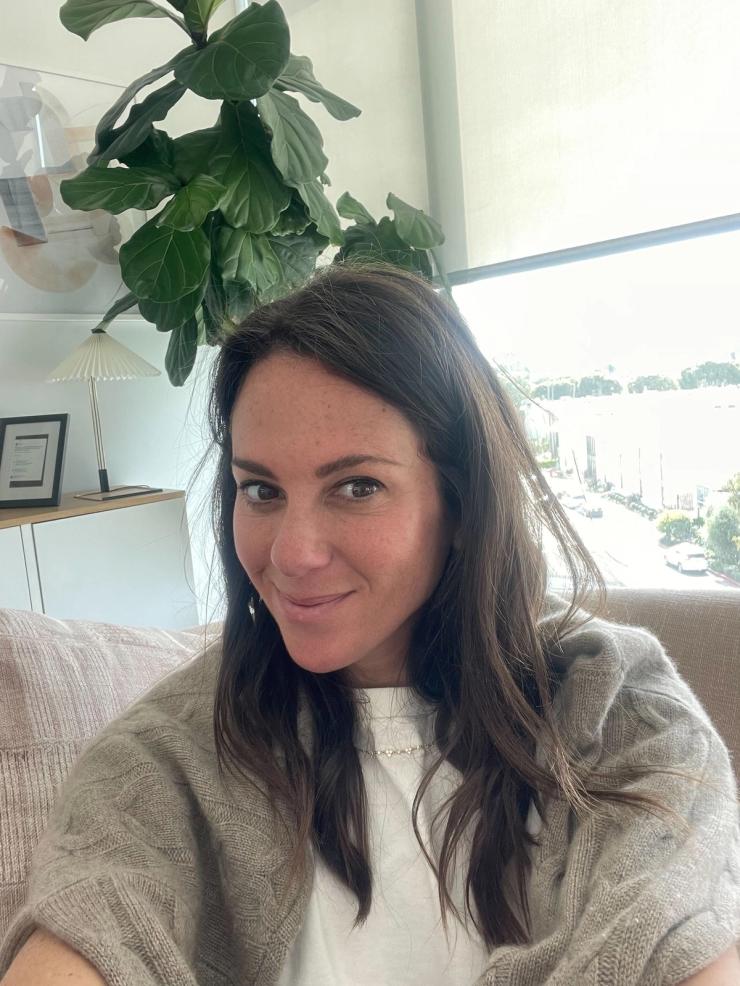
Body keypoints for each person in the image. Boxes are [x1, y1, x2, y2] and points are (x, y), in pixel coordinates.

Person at [1, 264, 738, 986]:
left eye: (357, 487)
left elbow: (677, 941)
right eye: (261, 490)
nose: (291, 555)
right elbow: (95, 914)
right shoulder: (164, 760)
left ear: (462, 503)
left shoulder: (619, 715)